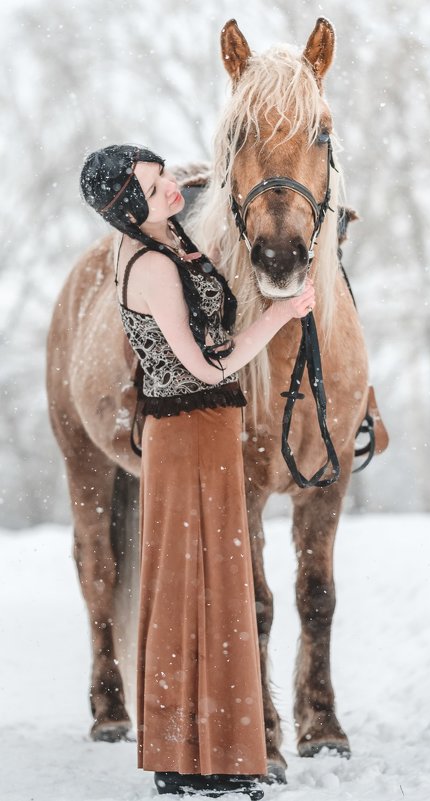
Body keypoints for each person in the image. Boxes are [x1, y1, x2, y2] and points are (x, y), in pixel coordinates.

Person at [79, 144, 315, 798]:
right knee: (199, 589)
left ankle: (208, 749)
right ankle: (199, 756)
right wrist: (277, 317)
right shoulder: (150, 265)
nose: (172, 193)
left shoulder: (162, 237)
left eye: (165, 179)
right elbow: (206, 366)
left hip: (204, 429)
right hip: (190, 430)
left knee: (210, 585)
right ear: (129, 208)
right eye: (156, 190)